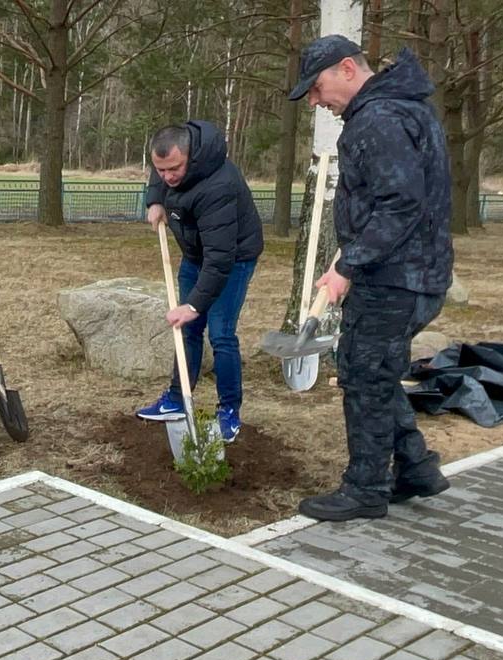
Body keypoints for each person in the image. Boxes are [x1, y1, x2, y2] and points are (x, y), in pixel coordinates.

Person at [288, 35, 454, 521]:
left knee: (362, 373)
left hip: (395, 279)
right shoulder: (403, 109)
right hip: (414, 272)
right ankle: (416, 467)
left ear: (345, 69)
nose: (317, 103)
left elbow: (400, 203)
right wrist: (351, 254)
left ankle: (365, 488)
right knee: (373, 369)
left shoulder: (379, 119)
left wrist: (348, 265)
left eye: (317, 89)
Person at [135, 121, 263, 442]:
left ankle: (229, 411)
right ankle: (178, 399)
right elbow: (161, 171)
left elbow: (219, 260)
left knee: (221, 334)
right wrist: (155, 199)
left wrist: (194, 304)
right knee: (187, 329)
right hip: (195, 255)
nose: (168, 177)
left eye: (174, 169)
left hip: (232, 259)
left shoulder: (218, 185)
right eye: (160, 170)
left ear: (191, 157)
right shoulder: (170, 162)